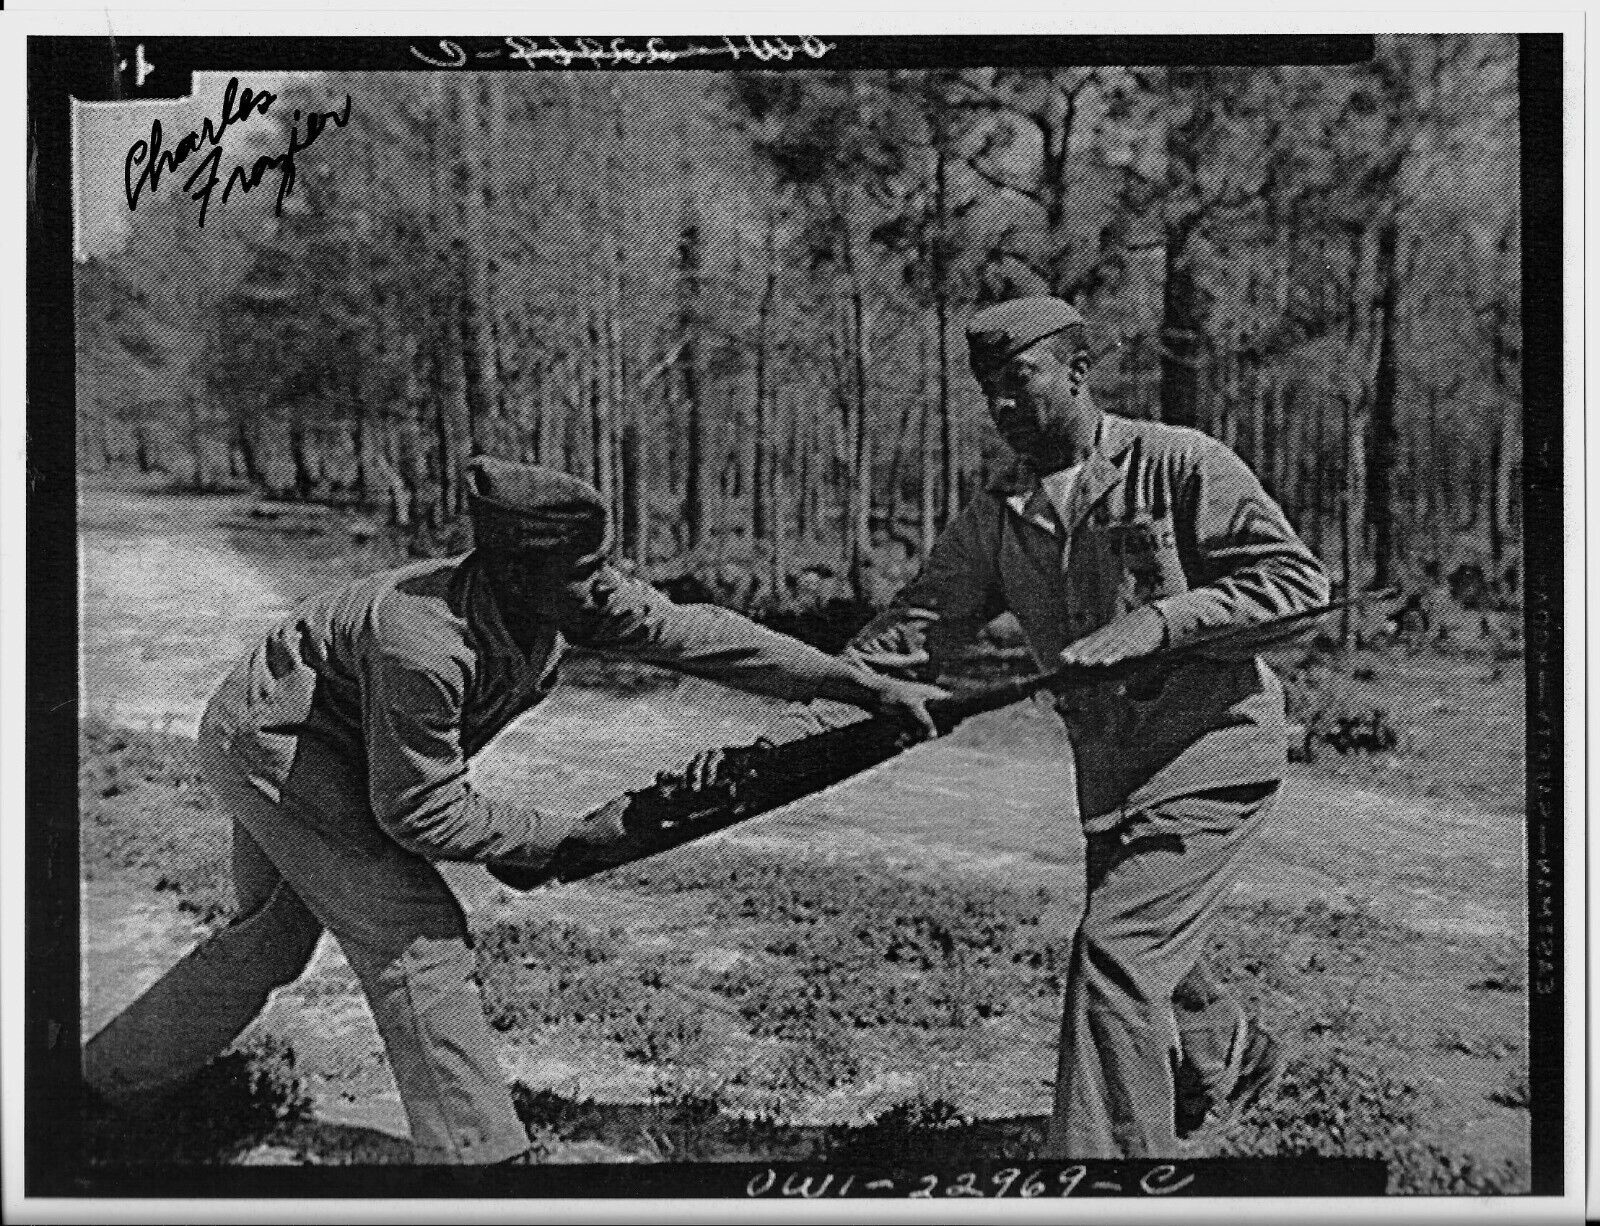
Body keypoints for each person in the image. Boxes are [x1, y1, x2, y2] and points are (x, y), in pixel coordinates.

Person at [83, 457, 946, 1166]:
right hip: (278, 744)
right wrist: (554, 840)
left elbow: (700, 635)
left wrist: (855, 683)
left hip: (338, 743)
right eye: (580, 574)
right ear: (512, 572)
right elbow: (416, 812)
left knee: (270, 938)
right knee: (413, 931)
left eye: (601, 565)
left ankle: (101, 1088)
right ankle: (479, 1164)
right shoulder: (425, 640)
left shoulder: (565, 594)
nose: (602, 589)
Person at [837, 296, 1330, 1158]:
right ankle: (1231, 1057)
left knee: (1116, 954)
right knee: (1150, 948)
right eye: (987, 389)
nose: (1001, 405)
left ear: (1077, 371)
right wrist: (816, 696)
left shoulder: (1178, 462)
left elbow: (1296, 586)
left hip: (1211, 756)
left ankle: (1112, 1180)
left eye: (1018, 381)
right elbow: (915, 627)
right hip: (1112, 777)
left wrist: (1163, 622)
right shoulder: (1000, 514)